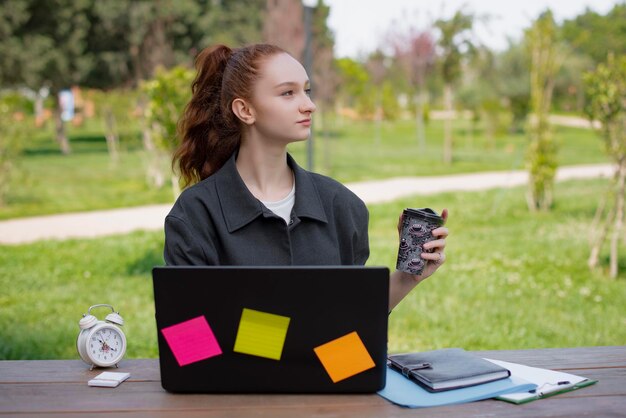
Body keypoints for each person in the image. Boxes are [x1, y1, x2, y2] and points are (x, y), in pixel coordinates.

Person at [164, 43, 448, 310]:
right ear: (245, 110)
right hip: (231, 366)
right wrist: (284, 338)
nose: (308, 105)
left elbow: (349, 319)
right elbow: (187, 341)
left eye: (306, 91)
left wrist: (407, 277)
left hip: (334, 364)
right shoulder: (194, 215)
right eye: (288, 93)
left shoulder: (342, 206)